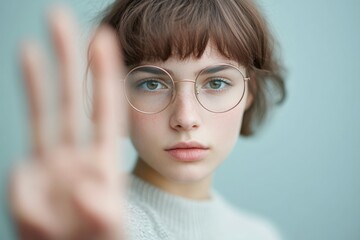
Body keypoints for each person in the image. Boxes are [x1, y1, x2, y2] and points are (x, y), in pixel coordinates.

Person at [9, 0, 286, 239]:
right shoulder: (89, 222)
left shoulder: (261, 235)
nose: (185, 118)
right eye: (153, 84)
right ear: (116, 97)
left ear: (251, 91)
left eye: (216, 83)